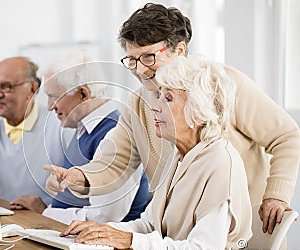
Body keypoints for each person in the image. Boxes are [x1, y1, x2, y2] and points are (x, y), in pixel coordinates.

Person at [45, 3, 300, 234]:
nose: (141, 69)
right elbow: (114, 162)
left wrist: (276, 195)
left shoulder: (226, 85)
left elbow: (286, 136)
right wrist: (77, 176)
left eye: (148, 57)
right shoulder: (137, 103)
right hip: (175, 239)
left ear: (180, 49)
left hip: (238, 232)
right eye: (132, 60)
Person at [59, 55, 252, 250]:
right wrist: (104, 231)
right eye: (159, 96)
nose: (154, 107)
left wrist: (130, 240)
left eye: (168, 98)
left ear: (199, 111)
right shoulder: (178, 155)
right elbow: (149, 225)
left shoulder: (221, 162)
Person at [11, 51, 149, 224]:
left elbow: (102, 218)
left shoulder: (113, 134)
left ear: (83, 94)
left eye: (54, 96)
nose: (49, 106)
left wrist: (44, 211)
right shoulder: (84, 129)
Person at [0, 57, 66, 209]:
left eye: (6, 87)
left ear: (32, 89)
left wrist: (45, 208)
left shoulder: (59, 124)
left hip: (47, 222)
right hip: (5, 221)